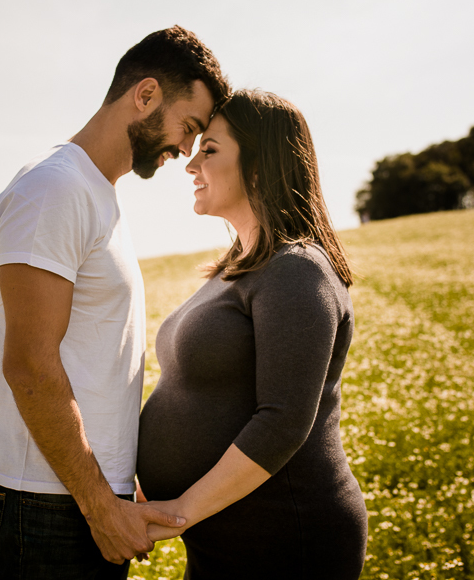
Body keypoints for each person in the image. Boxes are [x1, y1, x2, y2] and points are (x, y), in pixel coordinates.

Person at [0, 26, 230, 579]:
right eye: (189, 127)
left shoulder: (96, 194)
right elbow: (30, 366)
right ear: (145, 95)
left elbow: (89, 358)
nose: (186, 150)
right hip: (44, 501)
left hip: (76, 492)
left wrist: (115, 475)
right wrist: (96, 501)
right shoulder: (54, 189)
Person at [136, 89, 368, 579]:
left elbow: (282, 422)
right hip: (224, 534)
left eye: (211, 150)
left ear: (262, 166)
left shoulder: (295, 269)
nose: (190, 163)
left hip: (283, 540)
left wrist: (177, 512)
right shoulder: (236, 268)